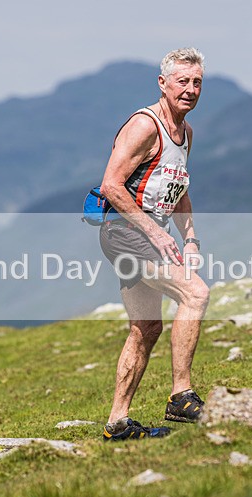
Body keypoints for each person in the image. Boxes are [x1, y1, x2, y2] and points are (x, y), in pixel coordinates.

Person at [98, 48, 210, 440]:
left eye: (197, 82)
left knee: (146, 328)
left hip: (145, 234)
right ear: (163, 84)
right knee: (195, 293)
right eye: (183, 81)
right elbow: (111, 185)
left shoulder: (186, 133)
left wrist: (190, 238)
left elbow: (179, 189)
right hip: (124, 232)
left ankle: (118, 423)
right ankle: (181, 395)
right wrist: (156, 232)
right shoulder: (145, 126)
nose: (190, 89)